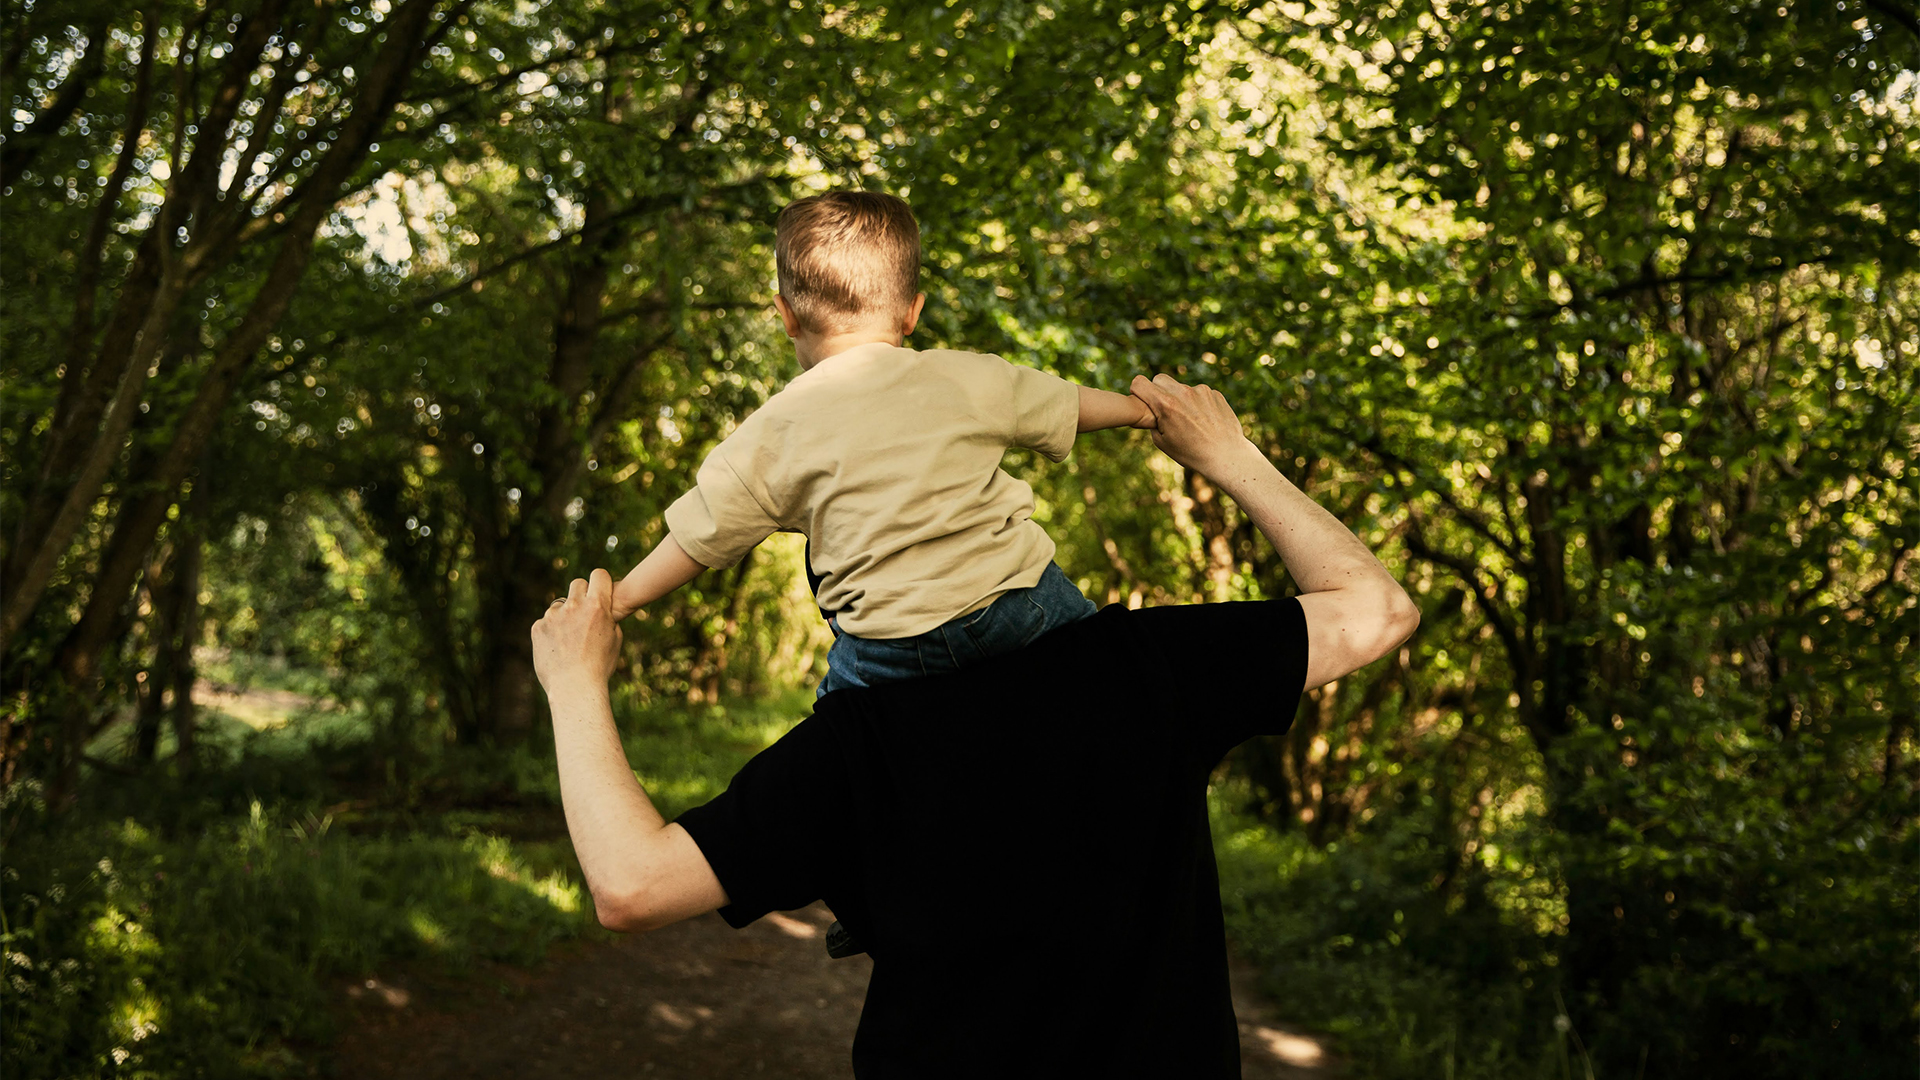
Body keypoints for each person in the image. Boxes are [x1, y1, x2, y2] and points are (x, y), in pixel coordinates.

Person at [532, 374, 1420, 1076]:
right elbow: (1376, 611)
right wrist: (1228, 455)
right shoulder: (1151, 667)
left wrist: (576, 681)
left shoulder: (854, 746)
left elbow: (630, 887)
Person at [604, 191, 1154, 698]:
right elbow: (1066, 403)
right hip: (1018, 601)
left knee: (836, 738)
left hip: (889, 644)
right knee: (1103, 662)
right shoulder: (966, 377)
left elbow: (701, 533)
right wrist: (1141, 411)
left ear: (787, 315)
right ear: (913, 311)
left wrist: (622, 598)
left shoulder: (774, 431)